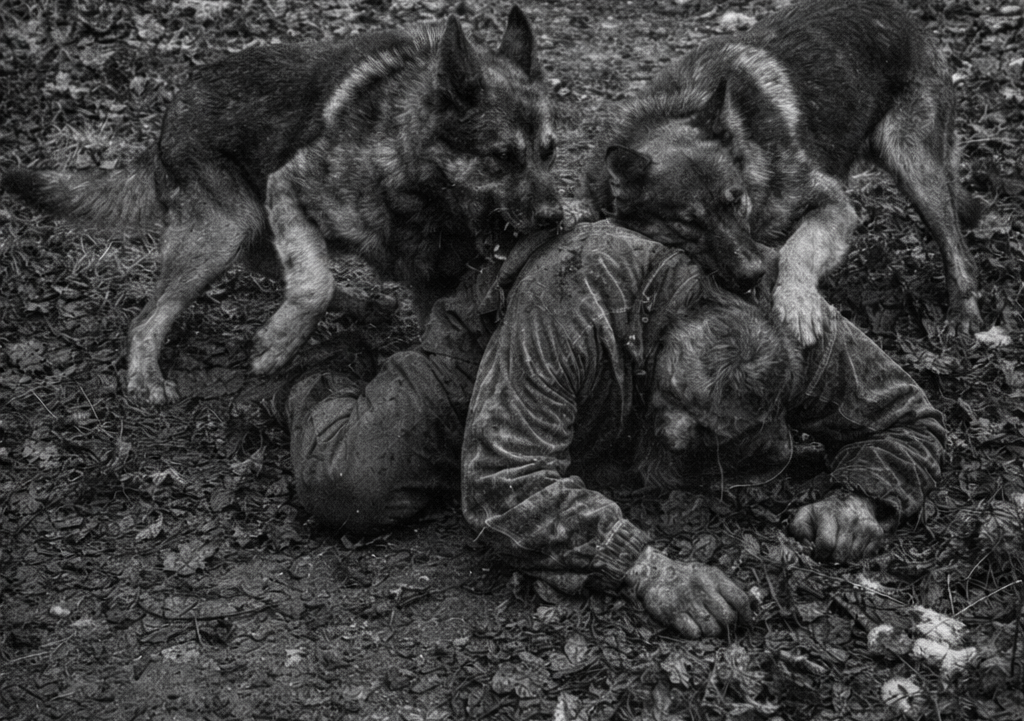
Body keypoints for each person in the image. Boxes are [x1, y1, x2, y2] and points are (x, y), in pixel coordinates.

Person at [276, 217, 945, 640]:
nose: (681, 432)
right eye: (675, 398)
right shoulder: (575, 298)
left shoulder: (791, 320)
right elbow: (504, 485)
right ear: (665, 332)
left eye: (707, 425)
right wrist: (644, 567)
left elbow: (907, 420)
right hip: (487, 347)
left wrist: (862, 499)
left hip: (590, 424)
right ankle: (330, 369)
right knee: (349, 483)